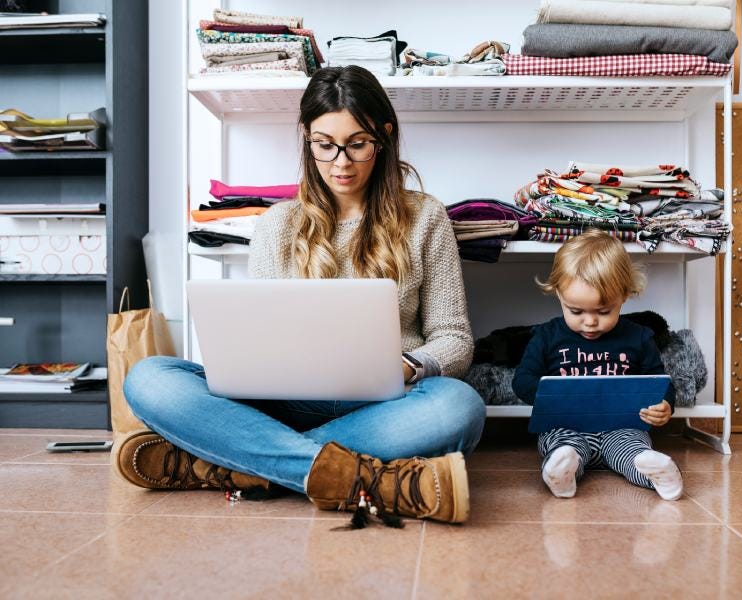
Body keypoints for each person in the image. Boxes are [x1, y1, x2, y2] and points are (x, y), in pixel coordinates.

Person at [118, 66, 485, 525]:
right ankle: (361, 477)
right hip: (285, 403)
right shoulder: (277, 224)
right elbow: (262, 337)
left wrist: (410, 366)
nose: (341, 162)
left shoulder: (425, 217)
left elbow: (454, 338)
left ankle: (241, 464)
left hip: (386, 404)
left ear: (384, 137)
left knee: (459, 407)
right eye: (324, 145)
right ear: (306, 138)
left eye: (358, 143)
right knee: (149, 377)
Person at [511, 231, 683, 501]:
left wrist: (664, 405)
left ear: (624, 296)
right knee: (562, 447)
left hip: (621, 427)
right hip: (566, 425)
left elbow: (658, 380)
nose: (590, 322)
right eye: (576, 311)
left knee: (631, 449)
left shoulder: (638, 337)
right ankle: (563, 472)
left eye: (603, 311)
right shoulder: (547, 336)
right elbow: (522, 380)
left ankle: (655, 470)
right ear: (559, 295)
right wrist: (549, 398)